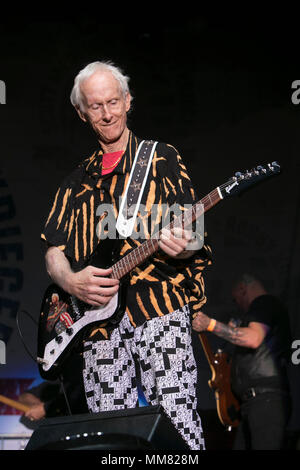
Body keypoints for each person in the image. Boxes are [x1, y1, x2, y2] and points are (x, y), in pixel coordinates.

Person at [40, 61, 212, 450]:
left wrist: (182, 244)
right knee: (110, 437)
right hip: (95, 323)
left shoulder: (161, 158)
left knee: (177, 425)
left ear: (128, 101)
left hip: (160, 310)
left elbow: (194, 236)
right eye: (96, 106)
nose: (107, 113)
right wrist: (70, 280)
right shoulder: (74, 182)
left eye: (113, 102)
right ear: (82, 113)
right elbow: (53, 249)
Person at [192, 273, 291, 450]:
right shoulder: (263, 310)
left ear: (242, 289)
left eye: (235, 298)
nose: (236, 303)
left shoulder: (264, 303)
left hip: (265, 401)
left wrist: (210, 324)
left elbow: (253, 338)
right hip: (253, 403)